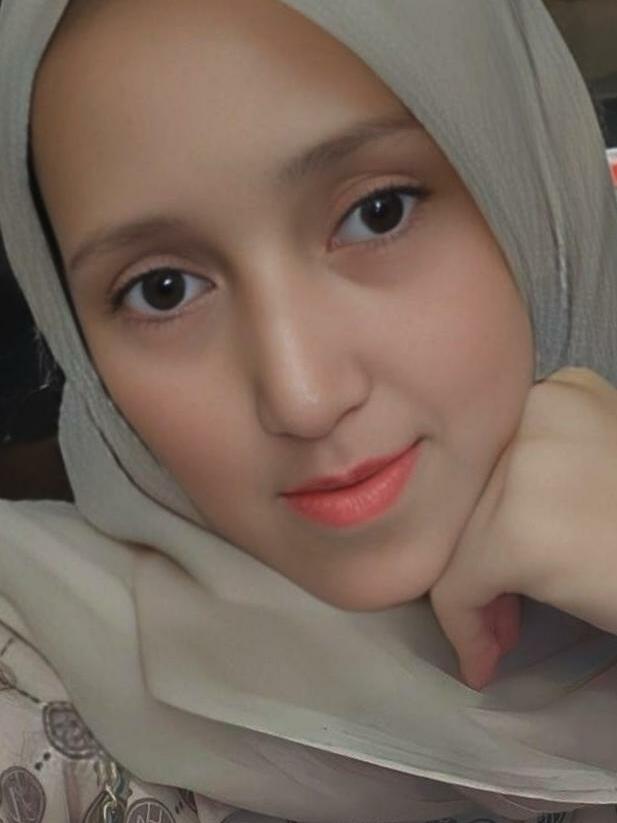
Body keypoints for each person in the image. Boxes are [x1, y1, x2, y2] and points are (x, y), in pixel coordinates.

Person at [1, 1, 617, 821]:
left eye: (378, 212)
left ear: (534, 189)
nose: (303, 397)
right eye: (163, 289)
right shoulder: (34, 675)